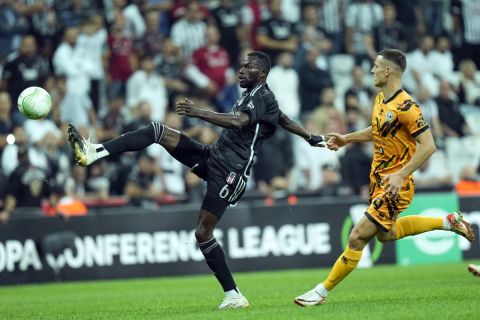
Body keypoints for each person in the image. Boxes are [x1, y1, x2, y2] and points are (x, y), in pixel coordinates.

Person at [67, 51, 325, 309]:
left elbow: (238, 121)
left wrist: (197, 112)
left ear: (263, 73)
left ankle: (234, 295)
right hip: (213, 156)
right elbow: (282, 118)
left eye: (249, 67)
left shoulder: (262, 96)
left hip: (231, 172)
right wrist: (311, 137)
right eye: (242, 65)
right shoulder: (256, 97)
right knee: (157, 131)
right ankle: (94, 152)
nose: (242, 69)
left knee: (203, 232)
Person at [294, 49, 475, 307]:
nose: (371, 70)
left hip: (395, 185)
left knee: (357, 236)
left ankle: (321, 292)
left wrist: (402, 174)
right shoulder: (380, 99)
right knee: (385, 235)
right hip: (379, 180)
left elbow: (429, 145)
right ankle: (448, 222)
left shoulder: (407, 107)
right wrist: (347, 138)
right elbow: (377, 130)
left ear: (387, 71)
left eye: (376, 66)